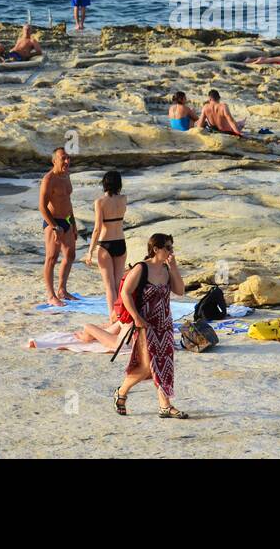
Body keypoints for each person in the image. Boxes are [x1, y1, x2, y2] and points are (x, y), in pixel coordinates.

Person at [114, 233, 188, 419]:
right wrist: (136, 318)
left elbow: (180, 291)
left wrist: (174, 268)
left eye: (172, 247)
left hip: (164, 325)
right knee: (148, 366)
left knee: (164, 365)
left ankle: (165, 406)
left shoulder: (166, 269)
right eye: (168, 248)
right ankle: (121, 392)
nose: (171, 251)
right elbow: (125, 293)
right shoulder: (141, 268)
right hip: (145, 325)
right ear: (156, 249)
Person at [39, 147, 80, 307]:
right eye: (63, 158)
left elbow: (68, 202)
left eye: (68, 158)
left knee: (70, 255)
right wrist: (55, 226)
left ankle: (62, 290)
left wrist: (73, 223)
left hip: (67, 220)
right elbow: (42, 207)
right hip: (52, 222)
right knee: (51, 258)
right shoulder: (49, 179)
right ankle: (51, 295)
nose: (67, 161)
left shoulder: (66, 176)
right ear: (54, 160)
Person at [85, 170, 128, 321]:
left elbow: (97, 228)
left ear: (104, 183)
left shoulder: (100, 202)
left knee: (109, 286)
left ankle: (113, 318)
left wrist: (90, 251)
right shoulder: (123, 199)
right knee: (118, 284)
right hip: (120, 242)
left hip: (105, 244)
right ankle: (121, 316)